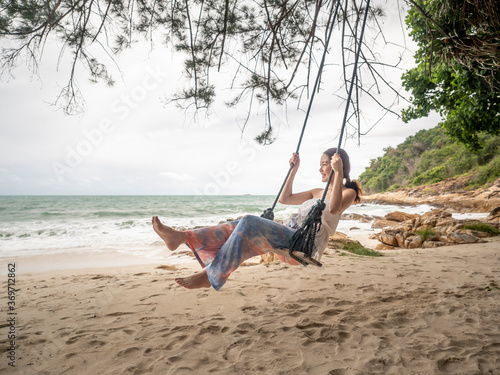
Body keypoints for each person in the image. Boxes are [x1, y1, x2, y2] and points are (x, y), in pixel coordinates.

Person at [152, 147, 362, 290]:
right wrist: (293, 171)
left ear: (337, 165)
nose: (320, 168)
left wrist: (339, 171)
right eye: (322, 164)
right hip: (289, 235)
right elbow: (285, 198)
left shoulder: (347, 193)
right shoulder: (317, 191)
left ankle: (212, 275)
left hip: (304, 244)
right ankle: (182, 237)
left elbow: (333, 208)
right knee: (237, 226)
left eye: (325, 164)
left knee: (249, 222)